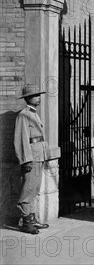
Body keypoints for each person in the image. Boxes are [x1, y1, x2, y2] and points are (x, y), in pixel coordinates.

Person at [14, 85, 50, 234]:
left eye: (39, 95)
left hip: (38, 156)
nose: (38, 98)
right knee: (28, 189)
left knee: (34, 188)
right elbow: (21, 139)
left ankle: (32, 219)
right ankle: (26, 221)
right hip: (31, 158)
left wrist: (45, 155)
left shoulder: (34, 114)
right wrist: (26, 160)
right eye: (35, 96)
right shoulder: (23, 115)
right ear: (28, 99)